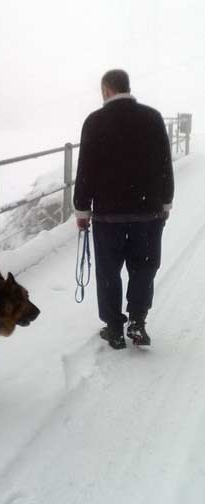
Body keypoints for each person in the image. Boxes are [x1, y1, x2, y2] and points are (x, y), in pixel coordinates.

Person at [73, 69, 174, 350]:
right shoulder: (152, 117)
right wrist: (166, 202)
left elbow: (85, 170)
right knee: (144, 267)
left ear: (106, 90)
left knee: (108, 272)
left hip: (108, 215)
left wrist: (82, 210)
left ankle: (115, 328)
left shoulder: (95, 121)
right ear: (127, 87)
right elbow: (165, 164)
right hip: (148, 212)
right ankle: (137, 321)